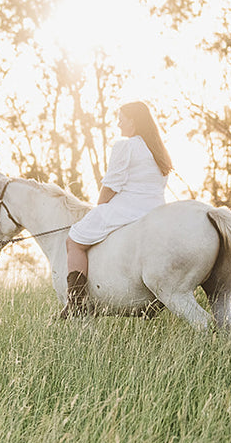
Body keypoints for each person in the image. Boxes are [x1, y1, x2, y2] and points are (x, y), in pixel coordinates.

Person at [61, 101, 174, 319]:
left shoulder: (125, 146)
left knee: (73, 240)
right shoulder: (159, 150)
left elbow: (111, 185)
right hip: (157, 211)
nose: (118, 123)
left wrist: (99, 208)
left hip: (128, 209)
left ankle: (76, 303)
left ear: (133, 121)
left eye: (121, 118)